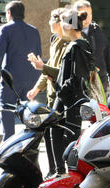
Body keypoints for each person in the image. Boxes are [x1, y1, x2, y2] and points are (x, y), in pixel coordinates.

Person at [29, 9, 94, 176]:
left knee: (65, 138)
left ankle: (65, 174)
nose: (61, 25)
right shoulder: (80, 45)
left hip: (69, 101)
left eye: (64, 22)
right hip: (69, 100)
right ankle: (60, 173)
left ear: (71, 26)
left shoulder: (76, 47)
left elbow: (74, 79)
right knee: (54, 132)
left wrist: (58, 87)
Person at [27, 8, 70, 179]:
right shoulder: (55, 40)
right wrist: (37, 88)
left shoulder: (70, 44)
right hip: (53, 94)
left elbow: (64, 72)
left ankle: (61, 171)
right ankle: (54, 170)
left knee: (57, 134)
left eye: (52, 20)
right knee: (48, 132)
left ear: (60, 22)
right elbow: (50, 68)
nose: (49, 23)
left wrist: (42, 67)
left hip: (65, 96)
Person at [0, 1, 41, 141]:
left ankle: (8, 142)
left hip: (11, 79)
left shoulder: (5, 29)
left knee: (6, 108)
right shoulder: (34, 30)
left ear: (9, 13)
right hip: (32, 78)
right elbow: (38, 55)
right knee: (28, 110)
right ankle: (28, 141)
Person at [73, 0, 110, 92]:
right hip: (80, 84)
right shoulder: (70, 32)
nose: (87, 18)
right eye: (84, 14)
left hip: (100, 81)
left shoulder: (96, 29)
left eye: (90, 14)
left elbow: (106, 55)